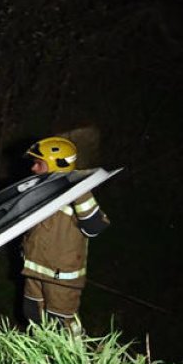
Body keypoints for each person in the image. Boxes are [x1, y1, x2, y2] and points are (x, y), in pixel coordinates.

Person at [21, 137, 110, 336]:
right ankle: (39, 361)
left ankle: (76, 362)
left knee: (63, 326)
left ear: (56, 165)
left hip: (61, 278)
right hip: (34, 270)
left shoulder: (78, 194)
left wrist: (77, 189)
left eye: (39, 164)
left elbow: (95, 227)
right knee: (33, 316)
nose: (33, 169)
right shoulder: (38, 189)